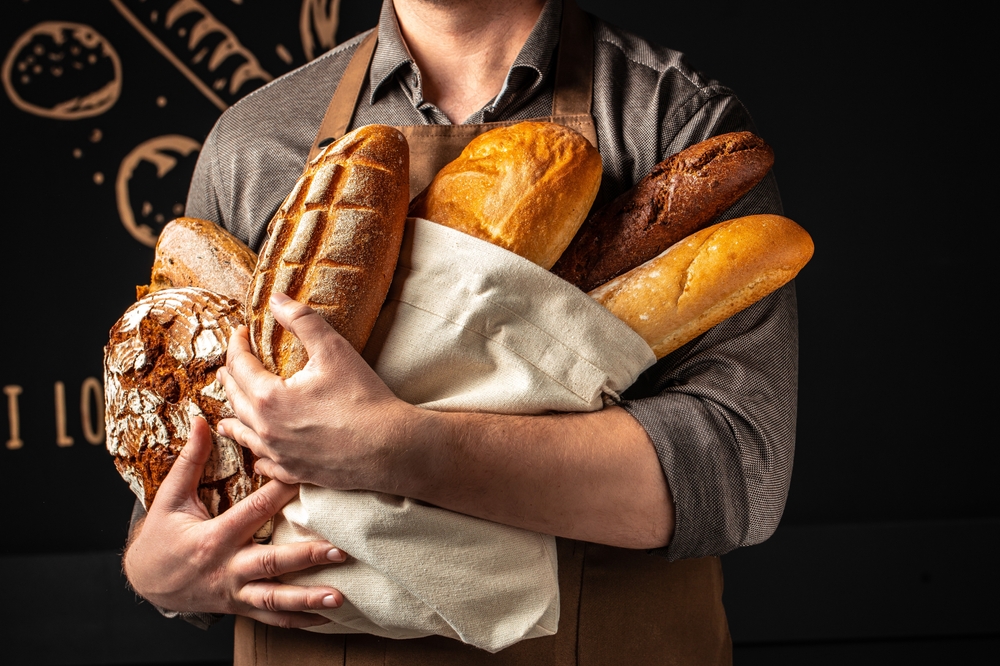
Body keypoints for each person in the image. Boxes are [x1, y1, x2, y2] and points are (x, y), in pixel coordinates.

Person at [123, 0, 798, 663]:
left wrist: (398, 449)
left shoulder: (666, 118)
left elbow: (737, 468)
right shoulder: (256, 140)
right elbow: (184, 477)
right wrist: (156, 572)